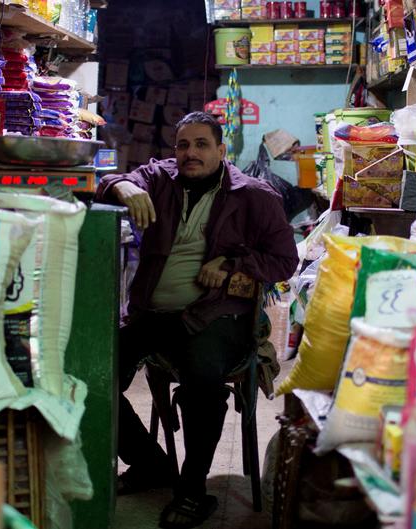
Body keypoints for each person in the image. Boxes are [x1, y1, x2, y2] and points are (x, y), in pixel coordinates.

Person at [95, 112, 299, 529]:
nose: (191, 153)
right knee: (94, 374)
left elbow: (284, 261)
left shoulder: (254, 196)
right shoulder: (161, 178)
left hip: (215, 314)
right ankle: (150, 462)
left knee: (202, 382)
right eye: (183, 145)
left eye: (202, 144)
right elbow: (108, 179)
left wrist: (232, 263)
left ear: (222, 151)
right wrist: (124, 185)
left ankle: (192, 491)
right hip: (152, 315)